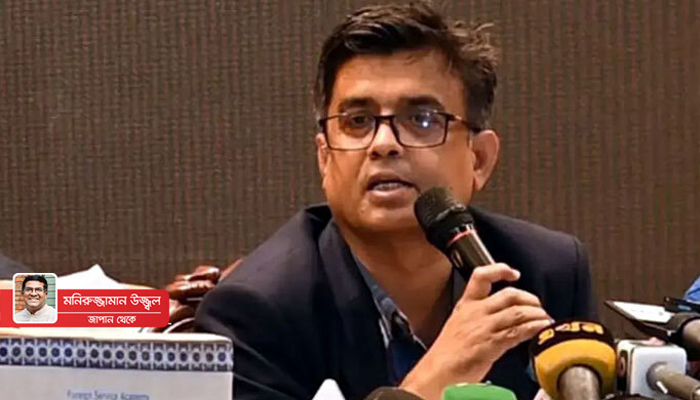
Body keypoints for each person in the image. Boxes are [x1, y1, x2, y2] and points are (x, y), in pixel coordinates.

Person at [195, 2, 596, 399]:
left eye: (422, 119)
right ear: (325, 158)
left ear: (479, 160)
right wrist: (435, 378)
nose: (383, 143)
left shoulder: (546, 273)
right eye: (357, 122)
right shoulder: (259, 311)